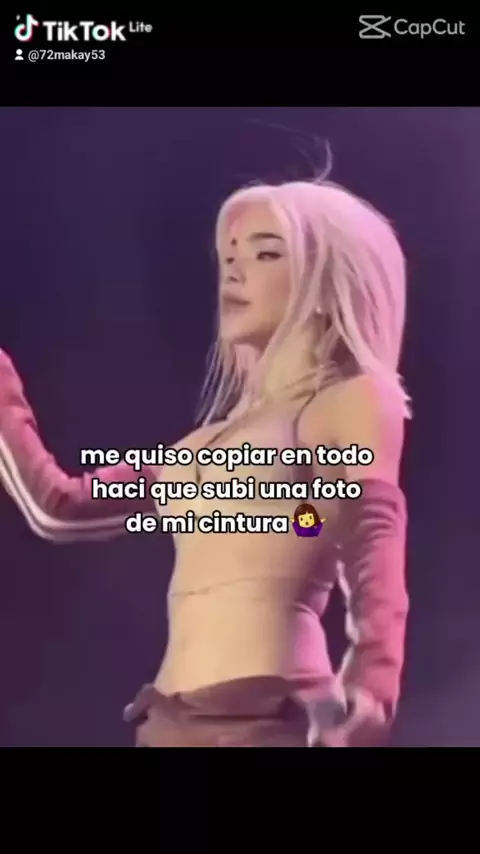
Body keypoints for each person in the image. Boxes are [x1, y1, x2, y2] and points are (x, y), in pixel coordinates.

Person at [0, 178, 410, 747]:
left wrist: (374, 680)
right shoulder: (198, 447)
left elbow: (370, 536)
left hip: (265, 719)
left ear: (324, 282)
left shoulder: (347, 398)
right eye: (229, 256)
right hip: (165, 722)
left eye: (266, 253)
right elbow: (59, 509)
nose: (234, 271)